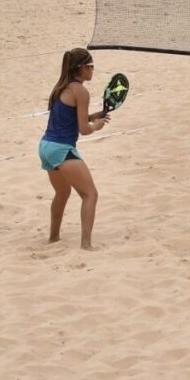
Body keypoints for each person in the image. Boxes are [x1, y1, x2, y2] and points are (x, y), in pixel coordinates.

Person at [39, 48, 109, 250]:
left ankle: (53, 238)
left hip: (45, 147)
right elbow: (83, 130)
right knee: (90, 194)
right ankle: (86, 245)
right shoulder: (81, 91)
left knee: (62, 193)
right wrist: (96, 125)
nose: (93, 70)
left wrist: (92, 116)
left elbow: (67, 117)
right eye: (91, 66)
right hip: (61, 148)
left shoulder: (61, 87)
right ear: (82, 68)